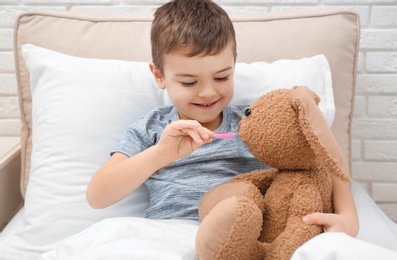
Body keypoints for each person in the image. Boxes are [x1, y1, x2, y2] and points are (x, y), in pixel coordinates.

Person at [86, 0, 359, 237]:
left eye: (222, 77)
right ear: (159, 76)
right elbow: (97, 196)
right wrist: (160, 154)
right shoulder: (152, 128)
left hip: (249, 235)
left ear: (234, 65)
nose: (208, 92)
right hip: (173, 231)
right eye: (189, 81)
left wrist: (348, 219)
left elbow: (320, 159)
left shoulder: (256, 121)